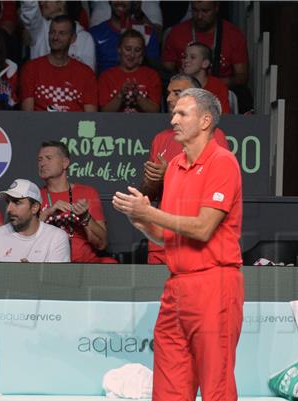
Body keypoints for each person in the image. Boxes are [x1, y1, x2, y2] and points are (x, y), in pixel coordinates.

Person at [113, 88, 244, 401]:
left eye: (182, 112)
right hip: (177, 286)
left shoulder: (223, 163)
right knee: (168, 397)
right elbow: (169, 237)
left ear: (206, 121)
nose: (173, 118)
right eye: (173, 111)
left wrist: (151, 213)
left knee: (217, 395)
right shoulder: (174, 167)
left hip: (215, 285)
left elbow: (204, 229)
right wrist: (143, 221)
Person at [140, 74, 229, 264]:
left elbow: (211, 184)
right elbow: (150, 194)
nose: (169, 99)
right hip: (161, 244)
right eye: (168, 93)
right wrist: (151, 182)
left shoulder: (214, 136)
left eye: (177, 93)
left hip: (194, 243)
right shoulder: (161, 138)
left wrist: (169, 174)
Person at [36, 141, 112, 263]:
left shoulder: (87, 193)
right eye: (40, 159)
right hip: (47, 266)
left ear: (65, 163)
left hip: (84, 266)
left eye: (48, 158)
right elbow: (24, 240)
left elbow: (101, 244)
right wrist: (46, 214)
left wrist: (85, 217)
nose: (42, 163)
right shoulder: (34, 196)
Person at [162, 1, 248, 101]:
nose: (199, 16)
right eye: (195, 10)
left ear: (216, 8)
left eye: (205, 11)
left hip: (221, 92)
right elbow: (166, 70)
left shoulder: (233, 35)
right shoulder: (177, 33)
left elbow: (242, 77)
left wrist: (210, 83)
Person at [0, 179, 70, 262]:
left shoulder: (57, 237)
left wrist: (30, 273)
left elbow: (59, 279)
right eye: (8, 202)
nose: (9, 209)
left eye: (17, 203)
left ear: (34, 207)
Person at [19, 15, 97, 112]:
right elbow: (27, 116)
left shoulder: (86, 73)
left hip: (74, 127)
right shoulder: (31, 68)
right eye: (52, 32)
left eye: (62, 33)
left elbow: (90, 119)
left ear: (72, 38)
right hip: (40, 126)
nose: (55, 37)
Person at [97, 29, 160, 113]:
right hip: (114, 124)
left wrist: (137, 96)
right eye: (128, 49)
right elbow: (104, 111)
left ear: (142, 53)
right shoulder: (106, 76)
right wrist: (120, 95)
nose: (132, 55)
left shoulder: (152, 76)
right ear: (119, 49)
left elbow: (155, 110)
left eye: (137, 50)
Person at [20, 1, 96, 70]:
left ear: (61, 2)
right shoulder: (39, 29)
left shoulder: (85, 38)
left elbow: (87, 77)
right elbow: (29, 8)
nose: (42, 2)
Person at [89, 1, 160, 74]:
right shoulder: (95, 33)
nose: (120, 2)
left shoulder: (148, 33)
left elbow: (153, 72)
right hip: (106, 83)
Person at [181, 41, 230, 115]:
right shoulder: (177, 84)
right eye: (185, 57)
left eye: (193, 57)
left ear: (205, 63)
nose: (186, 60)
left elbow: (224, 116)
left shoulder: (218, 86)